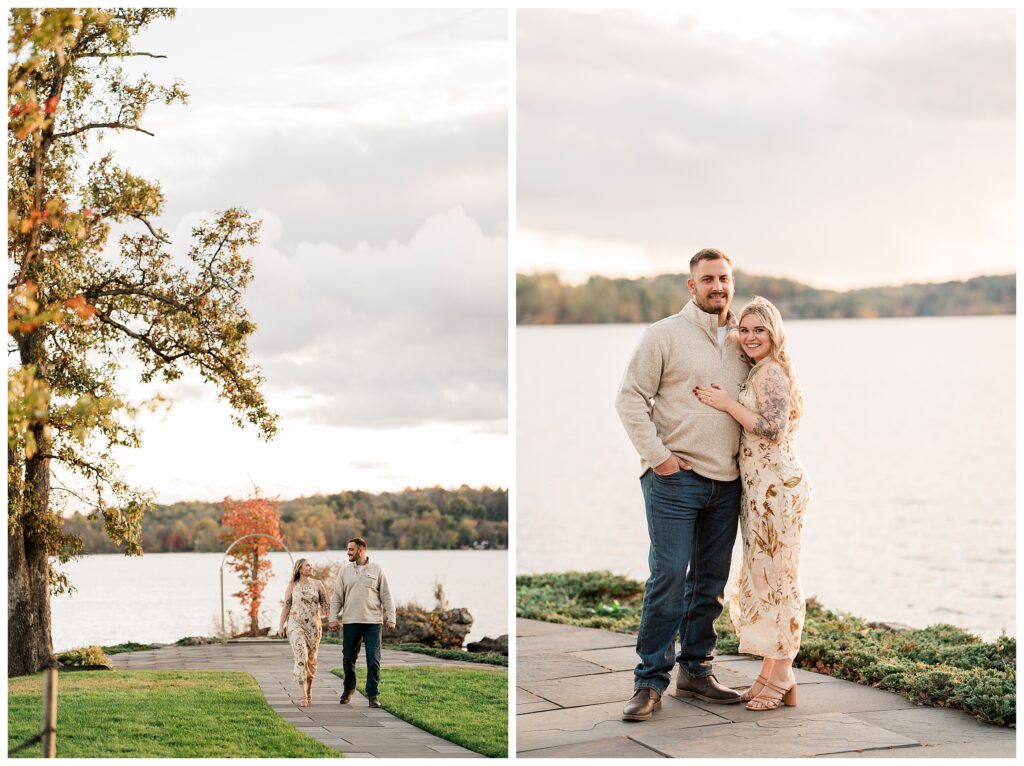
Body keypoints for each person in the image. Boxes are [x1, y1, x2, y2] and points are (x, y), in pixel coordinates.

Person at [614, 248, 749, 721]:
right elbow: (630, 399)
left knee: (710, 584)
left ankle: (696, 671)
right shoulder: (664, 335)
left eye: (725, 278)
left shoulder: (745, 337)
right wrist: (660, 459)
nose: (718, 286)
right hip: (675, 480)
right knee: (668, 579)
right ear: (691, 287)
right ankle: (649, 681)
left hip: (727, 482)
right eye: (708, 278)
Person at [695, 296, 810, 711]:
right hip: (761, 490)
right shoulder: (759, 366)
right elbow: (732, 335)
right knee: (764, 577)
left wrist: (727, 404)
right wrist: (728, 327)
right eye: (745, 330)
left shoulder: (772, 372)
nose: (750, 337)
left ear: (774, 332)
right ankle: (770, 671)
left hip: (777, 489)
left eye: (759, 329)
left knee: (778, 580)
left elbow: (772, 429)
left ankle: (781, 675)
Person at [328, 537, 397, 708]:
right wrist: (333, 618)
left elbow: (386, 595)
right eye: (348, 549)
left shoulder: (377, 569)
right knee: (347, 659)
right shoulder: (344, 571)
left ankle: (373, 695)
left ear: (361, 550)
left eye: (351, 549)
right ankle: (349, 688)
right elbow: (337, 596)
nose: (348, 552)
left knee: (373, 659)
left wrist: (391, 617)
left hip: (373, 622)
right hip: (351, 621)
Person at [278, 558, 329, 707]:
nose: (311, 567)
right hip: (295, 625)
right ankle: (302, 694)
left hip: (314, 627)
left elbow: (325, 606)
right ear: (300, 569)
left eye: (311, 565)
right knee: (301, 655)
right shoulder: (292, 586)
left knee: (311, 661)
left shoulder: (318, 585)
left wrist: (333, 620)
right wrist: (281, 626)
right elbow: (286, 607)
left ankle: (309, 688)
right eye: (308, 565)